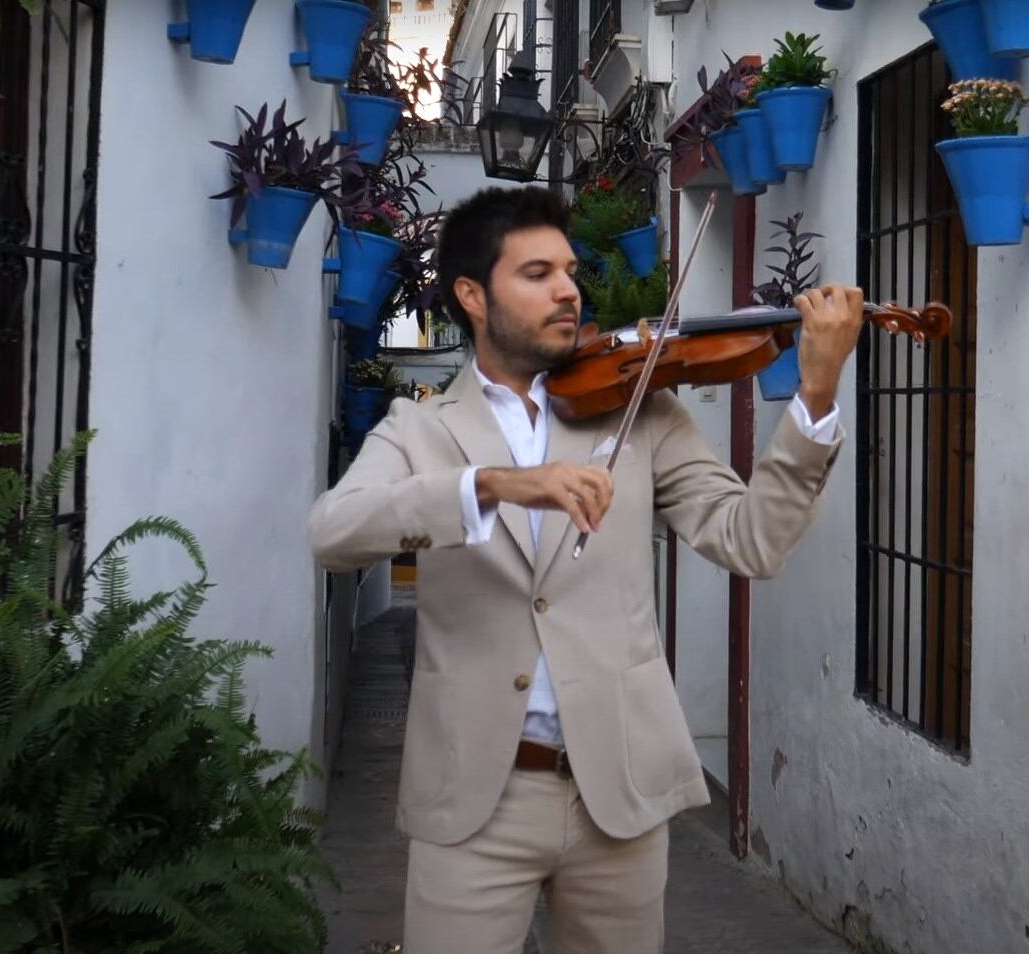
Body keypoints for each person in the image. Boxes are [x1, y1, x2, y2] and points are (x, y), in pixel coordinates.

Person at [308, 185, 866, 952]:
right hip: (475, 796)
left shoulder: (640, 411)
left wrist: (817, 392)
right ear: (472, 294)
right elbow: (333, 533)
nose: (568, 289)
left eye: (570, 271)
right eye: (536, 274)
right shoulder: (420, 430)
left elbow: (752, 540)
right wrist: (492, 485)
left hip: (619, 788)